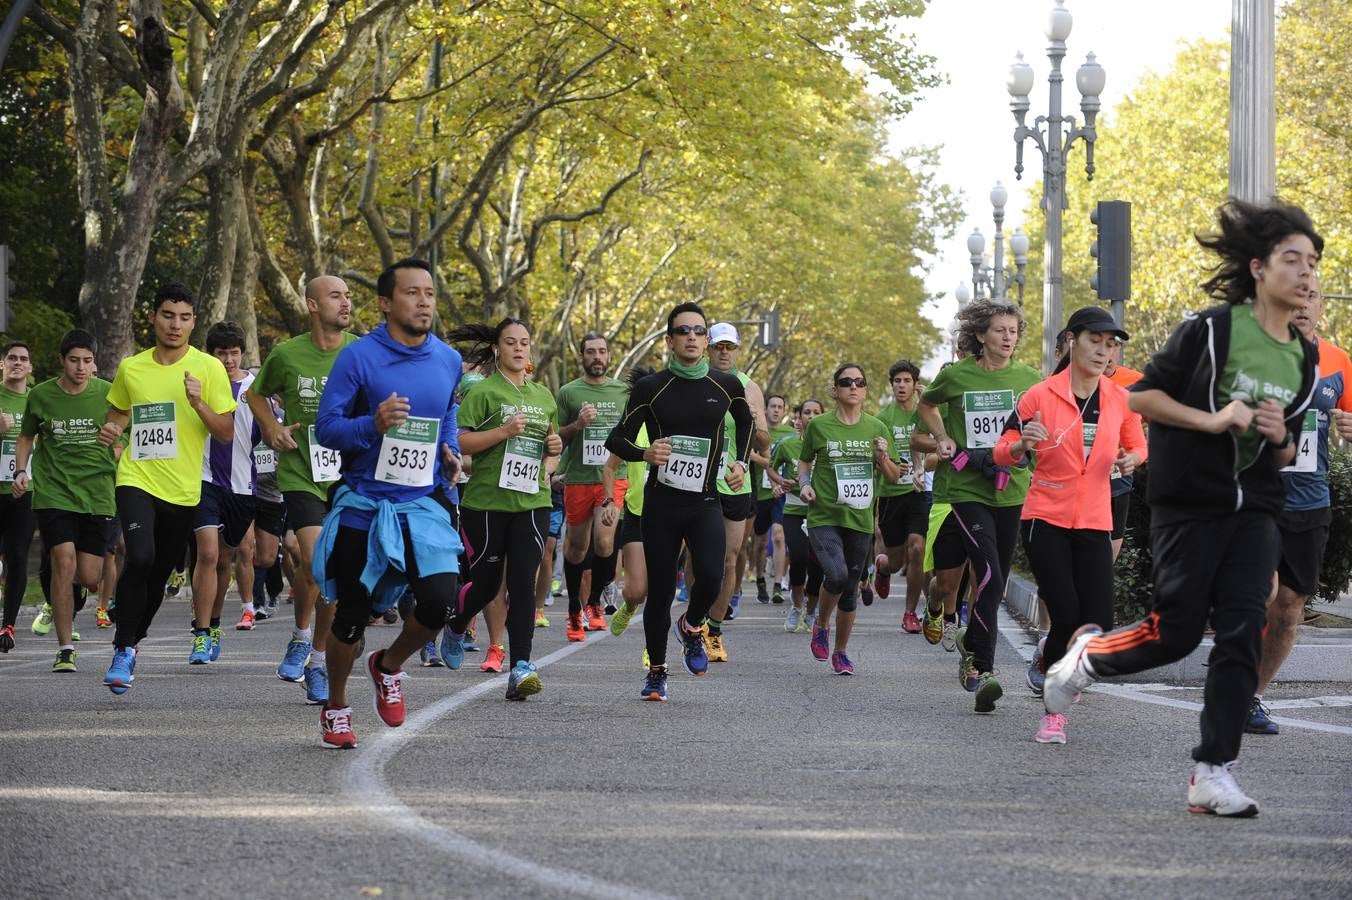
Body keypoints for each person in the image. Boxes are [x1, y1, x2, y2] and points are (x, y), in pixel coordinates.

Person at [1045, 199, 1321, 816]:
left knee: (1244, 628)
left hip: (1257, 511)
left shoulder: (1302, 359)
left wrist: (1277, 436)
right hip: (1190, 504)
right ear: (1258, 267)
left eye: (1313, 263)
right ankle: (1086, 657)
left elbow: (1285, 450)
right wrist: (1214, 419)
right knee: (1173, 635)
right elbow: (1139, 397)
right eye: (1292, 260)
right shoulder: (1212, 330)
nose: (1306, 273)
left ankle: (1212, 770)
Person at [311, 258, 463, 747]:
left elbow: (448, 416)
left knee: (441, 601)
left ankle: (388, 665)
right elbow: (327, 428)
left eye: (430, 294)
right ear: (385, 303)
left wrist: (451, 453)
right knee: (351, 616)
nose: (424, 302)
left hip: (421, 502)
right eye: (412, 293)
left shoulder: (448, 359)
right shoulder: (358, 358)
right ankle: (336, 706)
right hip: (365, 504)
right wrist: (372, 425)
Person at [993, 307, 1146, 743]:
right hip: (1046, 517)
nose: (1104, 351)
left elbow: (1138, 445)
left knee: (1096, 622)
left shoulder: (1120, 398)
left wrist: (1132, 458)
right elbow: (1002, 450)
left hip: (1096, 518)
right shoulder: (1039, 396)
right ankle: (1053, 715)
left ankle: (1048, 656)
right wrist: (1021, 444)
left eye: (1112, 343)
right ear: (1073, 341)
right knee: (1065, 615)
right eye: (1096, 340)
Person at [605, 302, 753, 701]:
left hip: (705, 499)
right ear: (669, 340)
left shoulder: (726, 385)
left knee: (711, 574)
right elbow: (616, 439)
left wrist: (739, 461)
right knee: (660, 593)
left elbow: (747, 421)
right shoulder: (651, 387)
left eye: (698, 331)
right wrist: (644, 454)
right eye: (683, 330)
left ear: (706, 341)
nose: (691, 336)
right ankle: (656, 671)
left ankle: (691, 626)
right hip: (662, 503)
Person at [98, 283, 236, 694]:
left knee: (157, 575)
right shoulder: (132, 367)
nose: (175, 325)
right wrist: (115, 433)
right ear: (153, 317)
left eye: (184, 317)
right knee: (139, 556)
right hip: (136, 477)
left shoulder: (209, 369)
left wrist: (198, 404)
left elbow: (226, 432)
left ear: (193, 321)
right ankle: (123, 649)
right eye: (168, 315)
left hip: (183, 490)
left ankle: (132, 642)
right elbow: (119, 411)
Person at [917, 299, 1040, 713]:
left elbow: (1041, 424)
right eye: (1000, 330)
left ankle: (971, 644)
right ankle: (981, 669)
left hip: (1010, 488)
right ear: (981, 335)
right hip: (965, 488)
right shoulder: (956, 375)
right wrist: (942, 439)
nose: (1008, 338)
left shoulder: (1028, 378)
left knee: (998, 578)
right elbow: (927, 405)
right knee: (985, 570)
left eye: (1014, 331)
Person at [1247, 278, 1352, 734]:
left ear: (1322, 308)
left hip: (1311, 500)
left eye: (1312, 298)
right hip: (1259, 498)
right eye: (1296, 297)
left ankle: (1251, 696)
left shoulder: (1338, 361)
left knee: (1289, 608)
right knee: (1261, 590)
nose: (1303, 306)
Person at [246, 275, 355, 705]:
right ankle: (301, 637)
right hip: (302, 471)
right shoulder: (288, 354)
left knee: (333, 574)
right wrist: (271, 426)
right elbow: (256, 396)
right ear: (312, 304)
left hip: (350, 474)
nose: (345, 303)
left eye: (348, 296)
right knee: (318, 561)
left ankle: (316, 658)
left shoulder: (362, 352)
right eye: (335, 296)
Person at [438, 318, 560, 699]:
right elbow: (461, 443)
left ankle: (521, 666)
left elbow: (551, 446)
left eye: (524, 343)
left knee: (523, 581)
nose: (519, 349)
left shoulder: (543, 396)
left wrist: (550, 460)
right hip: (487, 503)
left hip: (532, 502)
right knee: (488, 585)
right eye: (511, 342)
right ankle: (458, 622)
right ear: (497, 349)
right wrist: (504, 433)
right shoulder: (484, 393)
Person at [10, 331, 117, 670]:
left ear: (94, 361)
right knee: (63, 560)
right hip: (54, 490)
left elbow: (123, 438)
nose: (81, 367)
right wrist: (21, 470)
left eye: (87, 361)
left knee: (88, 576)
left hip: (97, 492)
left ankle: (78, 594)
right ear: (62, 361)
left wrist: (115, 440)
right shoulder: (41, 395)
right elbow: (27, 435)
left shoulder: (109, 394)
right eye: (74, 360)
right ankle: (65, 648)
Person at [798, 364, 901, 674]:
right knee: (838, 575)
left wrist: (882, 458)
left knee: (852, 588)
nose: (853, 387)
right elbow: (804, 462)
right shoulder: (819, 426)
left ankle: (841, 652)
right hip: (824, 515)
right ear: (836, 390)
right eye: (846, 382)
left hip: (860, 519)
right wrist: (804, 484)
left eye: (859, 382)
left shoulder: (877, 428)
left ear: (866, 390)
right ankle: (821, 623)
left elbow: (894, 477)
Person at [188, 322, 259, 664]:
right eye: (221, 353)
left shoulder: (254, 387)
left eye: (234, 353)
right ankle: (200, 634)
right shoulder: (197, 382)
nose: (228, 360)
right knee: (208, 554)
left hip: (242, 485)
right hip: (201, 481)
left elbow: (264, 432)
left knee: (226, 559)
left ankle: (214, 624)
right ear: (211, 354)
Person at [555, 333, 629, 639]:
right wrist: (577, 425)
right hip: (579, 478)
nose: (596, 356)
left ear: (609, 357)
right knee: (576, 548)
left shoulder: (624, 391)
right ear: (582, 357)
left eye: (602, 352)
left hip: (613, 476)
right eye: (590, 352)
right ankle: (574, 607)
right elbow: (557, 438)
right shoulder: (569, 393)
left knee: (604, 542)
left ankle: (594, 602)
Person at [703, 322, 769, 661]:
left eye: (730, 347)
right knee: (699, 558)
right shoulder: (695, 380)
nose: (724, 352)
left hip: (734, 481)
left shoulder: (748, 386)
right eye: (718, 347)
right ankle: (694, 620)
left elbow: (765, 442)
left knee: (729, 558)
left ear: (738, 350)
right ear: (708, 348)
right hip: (698, 480)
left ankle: (713, 629)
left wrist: (755, 420)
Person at [873, 360, 934, 633]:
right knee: (896, 560)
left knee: (918, 548)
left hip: (918, 492)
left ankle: (910, 612)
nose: (901, 385)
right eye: (897, 381)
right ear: (892, 385)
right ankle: (883, 569)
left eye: (907, 381)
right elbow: (876, 459)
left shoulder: (923, 414)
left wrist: (926, 398)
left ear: (914, 384)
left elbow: (941, 431)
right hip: (890, 495)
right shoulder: (882, 418)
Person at [602, 367, 656, 651]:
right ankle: (630, 604)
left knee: (660, 592)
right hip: (637, 513)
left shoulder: (678, 423)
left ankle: (653, 650)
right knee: (637, 591)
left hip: (672, 515)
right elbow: (610, 467)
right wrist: (610, 501)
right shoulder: (634, 427)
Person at [769, 399, 825, 633]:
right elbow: (770, 467)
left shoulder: (829, 444)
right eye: (807, 412)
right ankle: (796, 605)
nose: (811, 416)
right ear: (799, 418)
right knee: (799, 558)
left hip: (822, 513)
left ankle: (811, 612)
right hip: (793, 510)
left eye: (816, 412)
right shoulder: (786, 444)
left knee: (818, 565)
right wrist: (780, 481)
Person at [0, 340, 35, 651]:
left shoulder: (37, 401)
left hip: (25, 491)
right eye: (12, 358)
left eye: (23, 359)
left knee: (17, 558)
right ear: (2, 364)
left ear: (30, 367)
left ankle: (7, 626)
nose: (18, 363)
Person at [751, 393, 794, 604]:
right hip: (759, 493)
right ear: (765, 410)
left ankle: (778, 583)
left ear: (784, 411)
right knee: (759, 543)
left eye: (780, 407)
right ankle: (760, 578)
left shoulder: (790, 434)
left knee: (778, 536)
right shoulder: (757, 432)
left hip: (781, 495)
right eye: (773, 406)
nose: (776, 410)